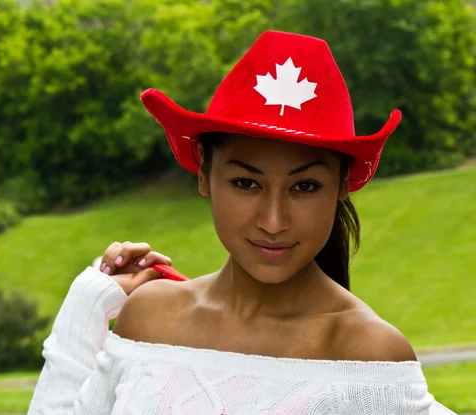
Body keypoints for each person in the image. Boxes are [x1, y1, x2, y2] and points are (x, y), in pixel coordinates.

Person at [27, 31, 456, 414]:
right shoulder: (150, 319)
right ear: (203, 177)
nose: (273, 220)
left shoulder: (366, 357)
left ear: (343, 185)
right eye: (245, 183)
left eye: (304, 186)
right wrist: (89, 301)